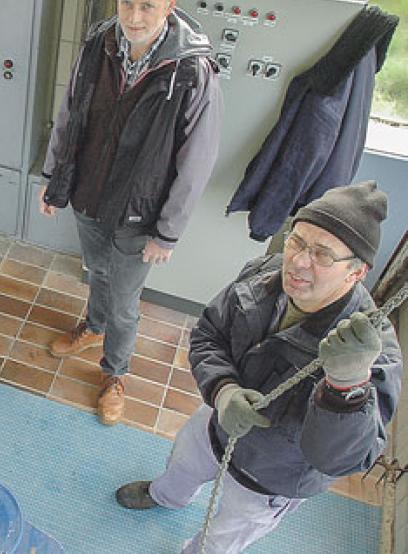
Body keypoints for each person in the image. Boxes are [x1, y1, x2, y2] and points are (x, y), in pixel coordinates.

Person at [115, 181, 402, 554]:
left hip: (273, 476)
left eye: (322, 254)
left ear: (357, 272)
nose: (298, 262)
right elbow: (208, 334)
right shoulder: (263, 274)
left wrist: (347, 386)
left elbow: (339, 460)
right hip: (217, 421)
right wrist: (223, 391)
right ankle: (166, 495)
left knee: (223, 538)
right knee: (182, 463)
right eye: (296, 241)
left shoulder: (374, 352)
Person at [38, 0, 224, 425]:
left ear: (170, 5)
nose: (134, 17)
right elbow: (69, 115)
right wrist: (54, 178)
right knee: (97, 270)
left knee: (125, 301)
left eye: (148, 6)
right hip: (90, 194)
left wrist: (168, 232)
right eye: (127, 2)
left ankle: (115, 373)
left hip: (141, 212)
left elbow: (197, 161)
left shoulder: (193, 71)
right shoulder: (96, 46)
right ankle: (93, 327)